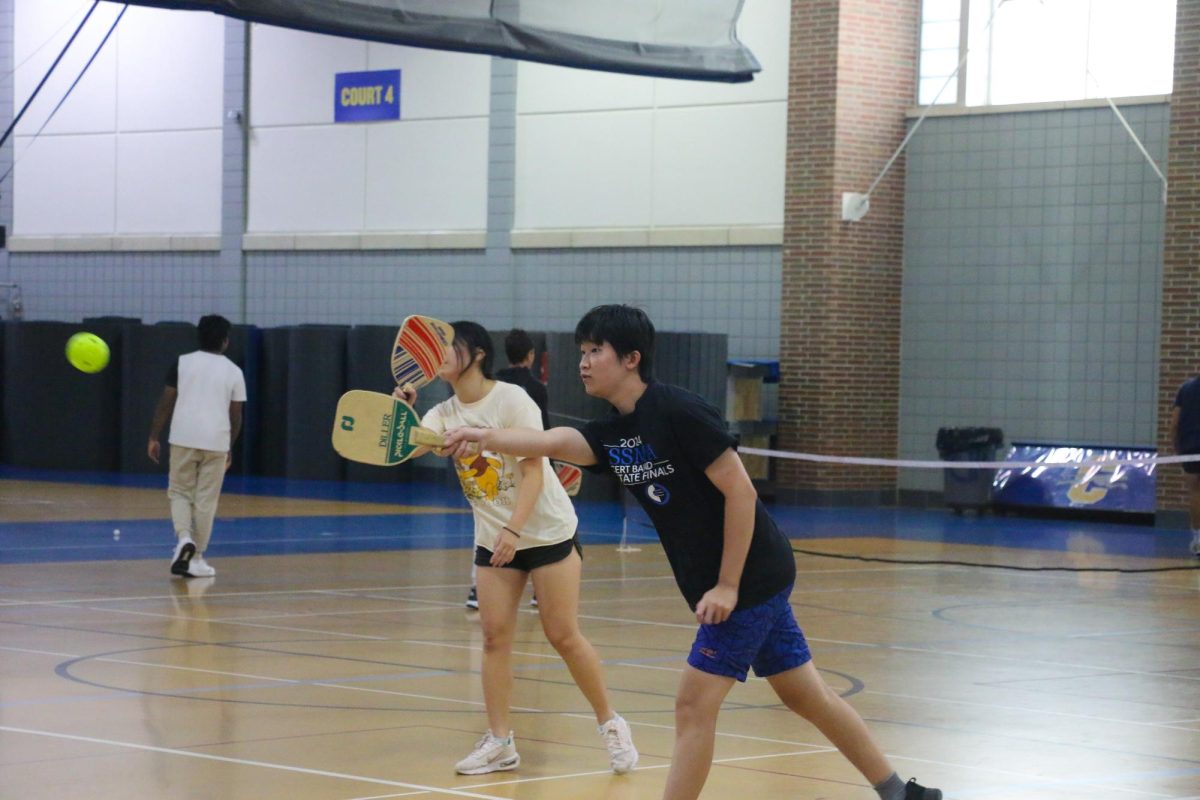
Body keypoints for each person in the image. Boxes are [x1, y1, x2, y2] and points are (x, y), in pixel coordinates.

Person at [443, 304, 943, 800]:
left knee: (692, 707)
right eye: (582, 351)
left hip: (748, 577)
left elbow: (741, 493)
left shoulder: (678, 410)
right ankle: (901, 793)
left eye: (596, 350)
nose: (585, 361)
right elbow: (548, 439)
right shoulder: (611, 433)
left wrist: (728, 584)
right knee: (804, 693)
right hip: (734, 580)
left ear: (632, 358)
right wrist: (483, 436)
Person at [399, 320, 637, 776]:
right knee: (493, 638)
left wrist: (514, 529)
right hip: (492, 539)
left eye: (452, 344)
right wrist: (403, 412)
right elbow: (408, 447)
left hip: (545, 531)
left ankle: (611, 723)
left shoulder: (511, 400)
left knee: (563, 634)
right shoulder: (443, 412)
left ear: (479, 353)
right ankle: (500, 742)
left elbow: (533, 470)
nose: (442, 352)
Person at [147, 315, 246, 579]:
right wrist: (229, 447)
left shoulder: (182, 363)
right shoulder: (234, 372)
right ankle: (197, 557)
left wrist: (154, 436)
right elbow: (236, 416)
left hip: (183, 437)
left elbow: (166, 402)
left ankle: (183, 539)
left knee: (179, 492)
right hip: (216, 441)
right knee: (206, 501)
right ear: (225, 341)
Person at [464, 328, 549, 609]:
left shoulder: (495, 383)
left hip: (491, 467)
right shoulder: (536, 388)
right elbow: (543, 437)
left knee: (486, 526)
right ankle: (540, 591)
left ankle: (477, 591)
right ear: (531, 355)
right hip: (525, 468)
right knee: (539, 526)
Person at [1169, 375, 1200, 557]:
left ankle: (1198, 541)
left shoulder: (1186, 388)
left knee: (1196, 492)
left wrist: (1178, 451)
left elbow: (1174, 424)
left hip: (1190, 447)